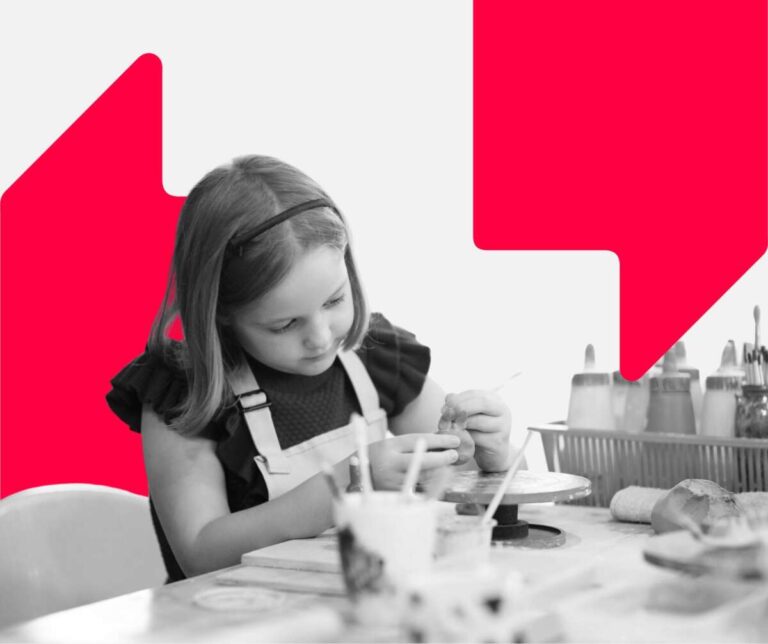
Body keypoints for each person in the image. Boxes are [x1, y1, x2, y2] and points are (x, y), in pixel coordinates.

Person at [107, 155, 513, 582]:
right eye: (284, 324)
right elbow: (201, 554)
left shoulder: (374, 356)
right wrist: (349, 482)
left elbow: (462, 485)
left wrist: (491, 458)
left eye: (334, 300)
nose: (321, 337)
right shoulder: (184, 392)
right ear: (221, 313)